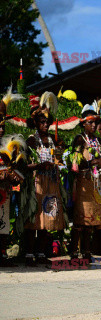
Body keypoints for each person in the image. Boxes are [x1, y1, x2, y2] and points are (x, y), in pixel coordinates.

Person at [23, 94, 66, 266]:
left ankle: (41, 252)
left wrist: (59, 158)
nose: (46, 125)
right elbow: (24, 166)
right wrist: (39, 166)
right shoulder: (31, 140)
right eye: (42, 122)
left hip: (51, 184)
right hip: (36, 185)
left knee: (47, 220)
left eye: (47, 122)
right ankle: (28, 254)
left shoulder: (53, 141)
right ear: (35, 123)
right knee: (33, 219)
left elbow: (59, 162)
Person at [69, 104, 101, 260]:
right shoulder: (79, 139)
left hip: (97, 184)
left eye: (96, 122)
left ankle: (87, 251)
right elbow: (75, 164)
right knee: (81, 219)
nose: (94, 125)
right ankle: (74, 251)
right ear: (83, 123)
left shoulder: (99, 141)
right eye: (91, 123)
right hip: (83, 182)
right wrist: (96, 162)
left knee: (93, 220)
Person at [0, 89, 25, 267]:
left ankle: (1, 254)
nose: (1, 129)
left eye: (3, 126)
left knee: (3, 223)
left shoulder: (8, 146)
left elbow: (13, 169)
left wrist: (14, 175)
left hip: (4, 192)